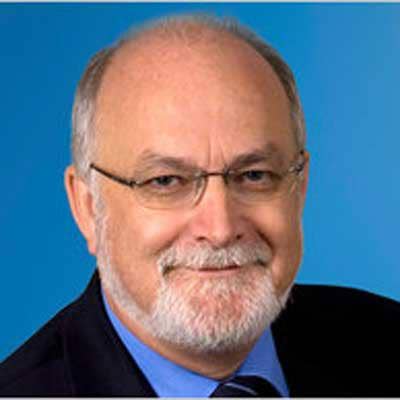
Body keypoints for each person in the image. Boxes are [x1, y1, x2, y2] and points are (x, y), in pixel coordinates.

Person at [1, 13, 399, 397]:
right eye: (166, 181)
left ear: (300, 188)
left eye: (254, 175)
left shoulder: (383, 342)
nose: (220, 228)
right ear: (87, 207)